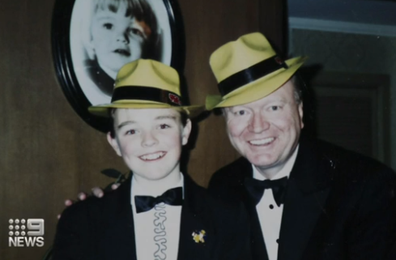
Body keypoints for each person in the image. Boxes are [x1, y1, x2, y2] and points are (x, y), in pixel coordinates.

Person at [206, 32, 396, 260]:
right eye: (241, 112)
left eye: (273, 107)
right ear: (226, 122)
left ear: (300, 111)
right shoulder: (221, 186)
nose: (257, 126)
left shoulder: (368, 185)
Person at [52, 59, 251, 260]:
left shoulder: (227, 216)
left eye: (163, 125)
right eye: (131, 130)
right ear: (114, 142)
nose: (149, 141)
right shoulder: (82, 221)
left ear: (185, 131)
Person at [81, 0, 159, 95]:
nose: (121, 37)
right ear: (91, 37)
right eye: (108, 26)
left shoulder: (148, 86)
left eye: (134, 31)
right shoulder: (86, 79)